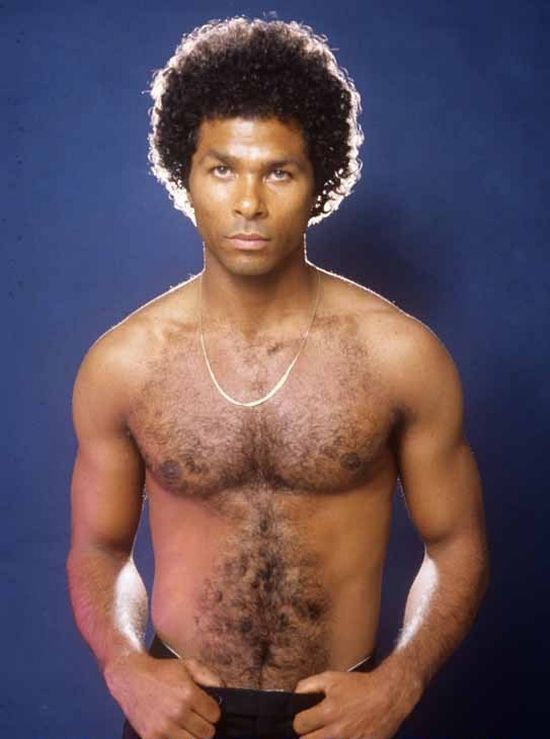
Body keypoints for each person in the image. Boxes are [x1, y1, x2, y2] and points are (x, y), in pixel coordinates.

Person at [66, 16, 489, 739]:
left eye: (279, 172)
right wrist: (125, 665)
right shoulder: (124, 364)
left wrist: (402, 679)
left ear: (317, 181)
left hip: (340, 719)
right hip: (178, 715)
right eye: (222, 169)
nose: (249, 203)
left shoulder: (400, 355)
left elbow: (458, 545)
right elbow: (98, 549)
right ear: (185, 175)